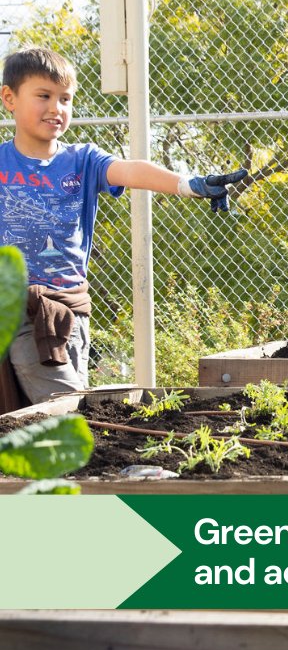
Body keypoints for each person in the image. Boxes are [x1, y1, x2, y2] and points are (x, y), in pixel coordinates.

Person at [0, 47, 247, 404]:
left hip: (70, 312)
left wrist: (187, 184)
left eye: (65, 99)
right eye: (44, 96)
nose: (56, 108)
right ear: (9, 97)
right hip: (17, 308)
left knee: (53, 411)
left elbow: (131, 170)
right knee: (68, 407)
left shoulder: (81, 160)